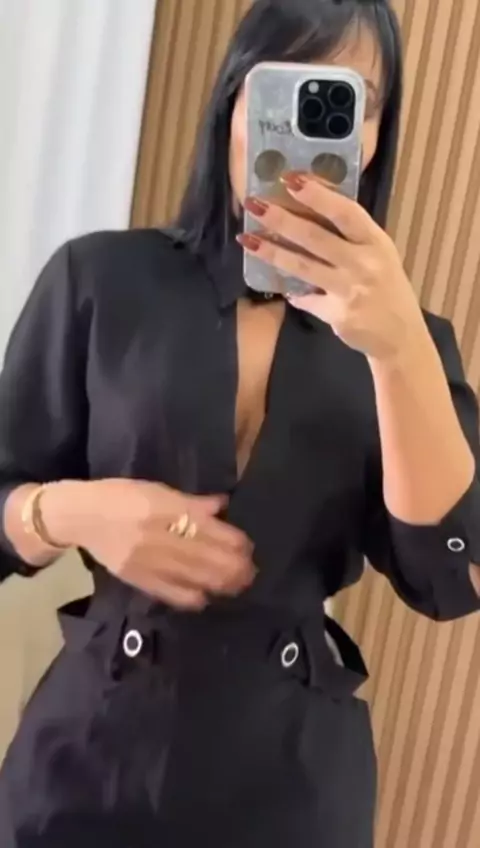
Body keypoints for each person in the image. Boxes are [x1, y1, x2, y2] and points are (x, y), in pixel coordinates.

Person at [0, 0, 479, 845]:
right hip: (86, 766)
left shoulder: (410, 344)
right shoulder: (101, 279)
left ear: (375, 138)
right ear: (232, 104)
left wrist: (399, 347)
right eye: (286, 89)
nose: (311, 127)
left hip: (290, 787)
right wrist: (74, 511)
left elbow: (452, 575)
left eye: (350, 102)